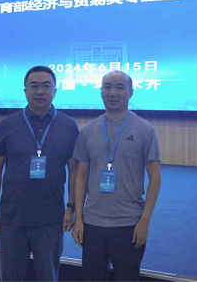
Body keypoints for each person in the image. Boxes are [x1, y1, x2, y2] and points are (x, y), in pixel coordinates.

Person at [0, 66, 79, 281]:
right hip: (11, 219)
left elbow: (75, 171)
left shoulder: (69, 126)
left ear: (55, 91)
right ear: (25, 91)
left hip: (51, 220)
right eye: (34, 86)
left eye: (46, 86)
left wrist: (71, 208)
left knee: (48, 276)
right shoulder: (7, 125)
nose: (40, 91)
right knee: (10, 277)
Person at [71, 70, 162, 281]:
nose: (113, 93)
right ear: (101, 91)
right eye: (107, 87)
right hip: (92, 223)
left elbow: (155, 179)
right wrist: (79, 219)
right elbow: (81, 175)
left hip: (129, 224)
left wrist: (144, 222)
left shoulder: (145, 130)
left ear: (131, 92)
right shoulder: (88, 130)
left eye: (120, 87)